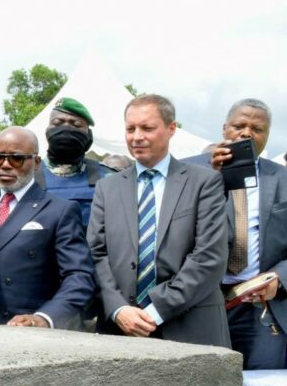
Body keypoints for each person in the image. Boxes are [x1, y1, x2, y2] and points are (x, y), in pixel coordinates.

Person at [88, 94, 229, 346]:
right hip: (120, 330)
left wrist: (155, 310)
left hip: (191, 327)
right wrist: (119, 309)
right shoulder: (106, 188)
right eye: (130, 128)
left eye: (147, 128)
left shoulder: (204, 182)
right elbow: (96, 254)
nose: (137, 136)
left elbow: (209, 257)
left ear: (171, 129)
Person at [185, 99, 287, 368]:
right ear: (224, 128)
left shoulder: (283, 178)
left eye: (257, 128)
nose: (246, 133)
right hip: (200, 304)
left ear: (267, 136)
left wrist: (281, 276)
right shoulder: (188, 172)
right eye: (239, 126)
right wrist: (213, 176)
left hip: (260, 306)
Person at [0, 126, 95, 328]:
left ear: (36, 163)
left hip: (33, 334)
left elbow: (79, 276)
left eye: (16, 158)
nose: (5, 165)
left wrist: (45, 317)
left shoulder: (59, 210)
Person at [35, 97, 115, 227]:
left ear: (89, 135)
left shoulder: (108, 178)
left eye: (76, 125)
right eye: (57, 123)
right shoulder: (26, 179)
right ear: (47, 131)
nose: (66, 128)